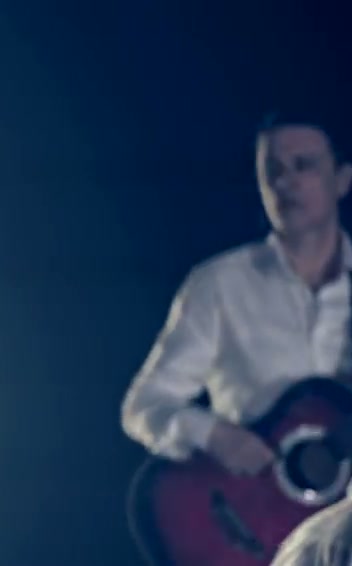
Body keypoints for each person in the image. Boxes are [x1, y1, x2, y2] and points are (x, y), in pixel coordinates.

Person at [121, 109, 352, 476]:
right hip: (253, 508)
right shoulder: (220, 284)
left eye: (302, 165)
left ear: (342, 179)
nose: (284, 182)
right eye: (272, 170)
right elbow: (144, 405)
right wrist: (214, 436)